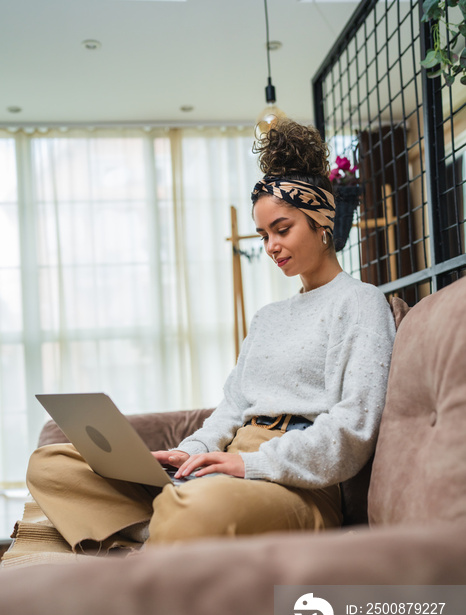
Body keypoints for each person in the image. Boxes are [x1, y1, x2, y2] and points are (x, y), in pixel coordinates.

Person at [26, 120, 396, 553]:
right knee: (50, 465)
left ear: (321, 221)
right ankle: (169, 522)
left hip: (295, 484)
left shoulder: (362, 303)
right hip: (225, 471)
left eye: (282, 228)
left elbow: (352, 433)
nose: (271, 246)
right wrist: (192, 450)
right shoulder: (268, 317)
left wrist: (249, 464)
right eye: (264, 235)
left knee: (197, 506)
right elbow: (234, 407)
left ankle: (165, 524)